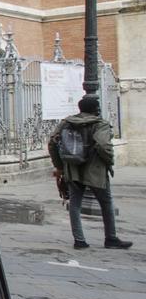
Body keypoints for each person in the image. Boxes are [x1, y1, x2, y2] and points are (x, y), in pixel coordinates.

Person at [48, 96, 133, 250]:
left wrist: (60, 166)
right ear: (96, 109)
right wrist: (109, 161)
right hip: (95, 170)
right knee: (106, 203)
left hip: (73, 168)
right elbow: (103, 145)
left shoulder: (67, 123)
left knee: (75, 204)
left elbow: (52, 143)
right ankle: (111, 238)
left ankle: (79, 241)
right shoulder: (100, 124)